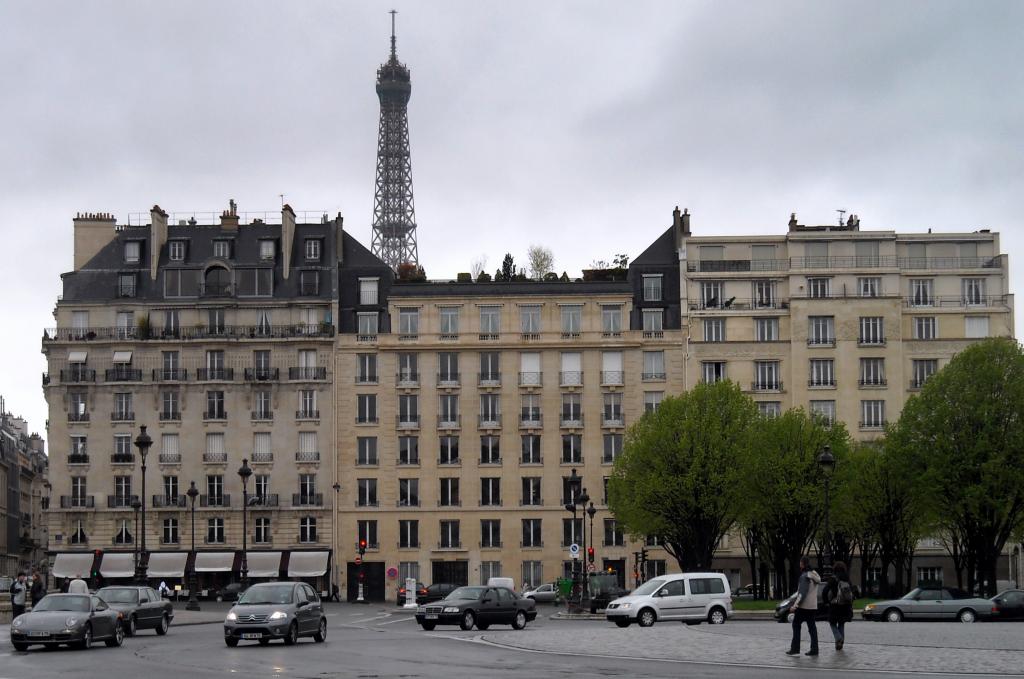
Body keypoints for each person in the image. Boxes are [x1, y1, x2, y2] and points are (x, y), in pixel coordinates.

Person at [787, 556, 821, 656]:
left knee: (796, 625)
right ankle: (814, 649)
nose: (799, 565)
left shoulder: (804, 576)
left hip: (803, 607)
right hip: (812, 606)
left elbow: (801, 594)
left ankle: (795, 648)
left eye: (800, 563)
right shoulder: (815, 574)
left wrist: (794, 606)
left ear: (802, 564)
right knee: (812, 628)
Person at [821, 561, 854, 650]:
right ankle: (839, 644)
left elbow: (825, 591)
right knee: (841, 623)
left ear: (834, 569)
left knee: (832, 623)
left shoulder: (833, 579)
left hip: (834, 605)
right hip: (845, 606)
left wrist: (826, 602)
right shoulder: (847, 579)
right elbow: (852, 592)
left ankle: (838, 638)